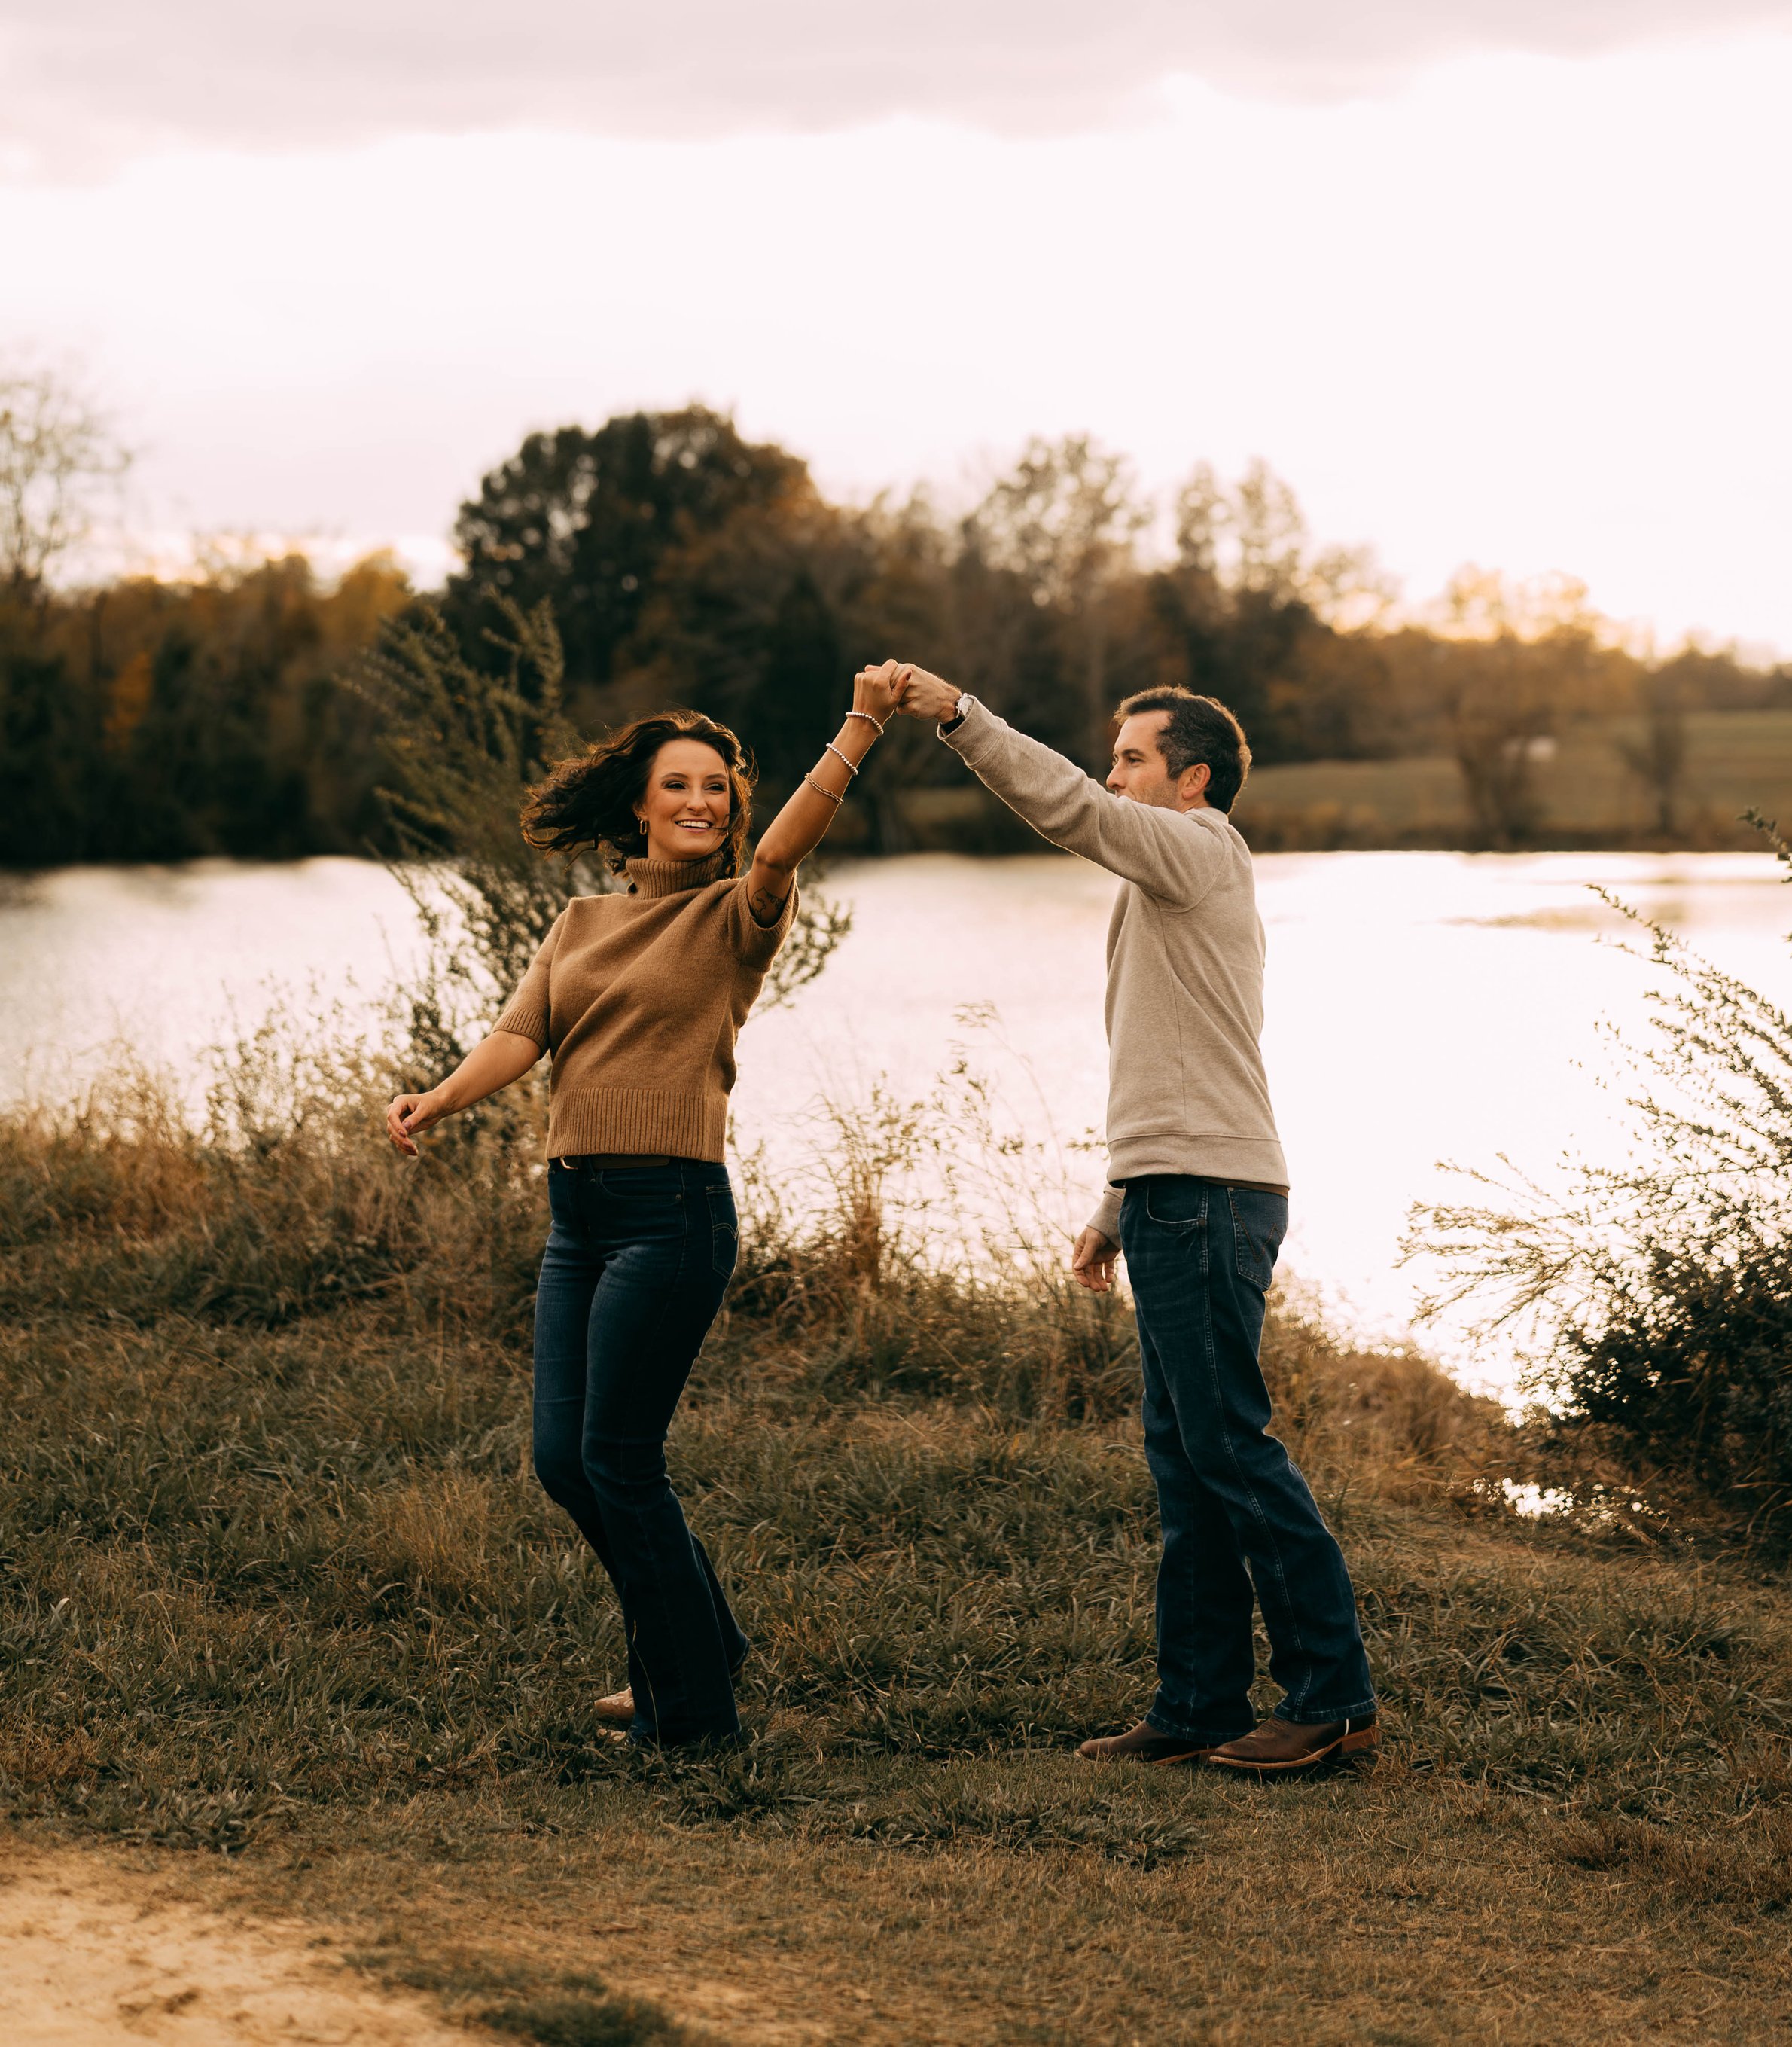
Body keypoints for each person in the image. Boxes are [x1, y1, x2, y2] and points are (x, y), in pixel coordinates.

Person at [385, 664, 908, 1750]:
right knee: (564, 1460)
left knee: (620, 1458)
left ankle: (697, 1716)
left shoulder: (741, 911)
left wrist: (859, 721)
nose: (700, 802)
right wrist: (439, 1096)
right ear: (640, 803)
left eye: (717, 786)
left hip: (673, 1212)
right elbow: (521, 1035)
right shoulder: (579, 923)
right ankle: (696, 1644)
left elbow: (784, 844)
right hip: (578, 1216)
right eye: (679, 784)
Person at [895, 668, 1377, 1776]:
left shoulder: (1199, 846)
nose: (1112, 776)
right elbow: (1178, 1056)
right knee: (1187, 1461)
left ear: (1191, 778)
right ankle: (1200, 1701)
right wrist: (1118, 1203)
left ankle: (1333, 1699)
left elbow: (1068, 806)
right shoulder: (1173, 879)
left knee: (1231, 1450)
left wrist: (962, 715)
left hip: (1210, 1196)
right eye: (1112, 758)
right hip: (1178, 1191)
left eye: (1132, 759)